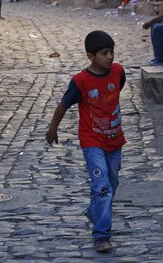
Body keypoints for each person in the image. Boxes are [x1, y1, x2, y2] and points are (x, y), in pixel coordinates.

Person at [46, 30, 126, 254]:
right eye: (104, 53)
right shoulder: (81, 81)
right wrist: (53, 128)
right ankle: (101, 235)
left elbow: (117, 88)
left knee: (113, 182)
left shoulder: (118, 72)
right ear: (91, 56)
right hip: (92, 142)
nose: (109, 57)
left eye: (111, 52)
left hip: (115, 139)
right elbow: (63, 105)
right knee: (101, 187)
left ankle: (94, 211)